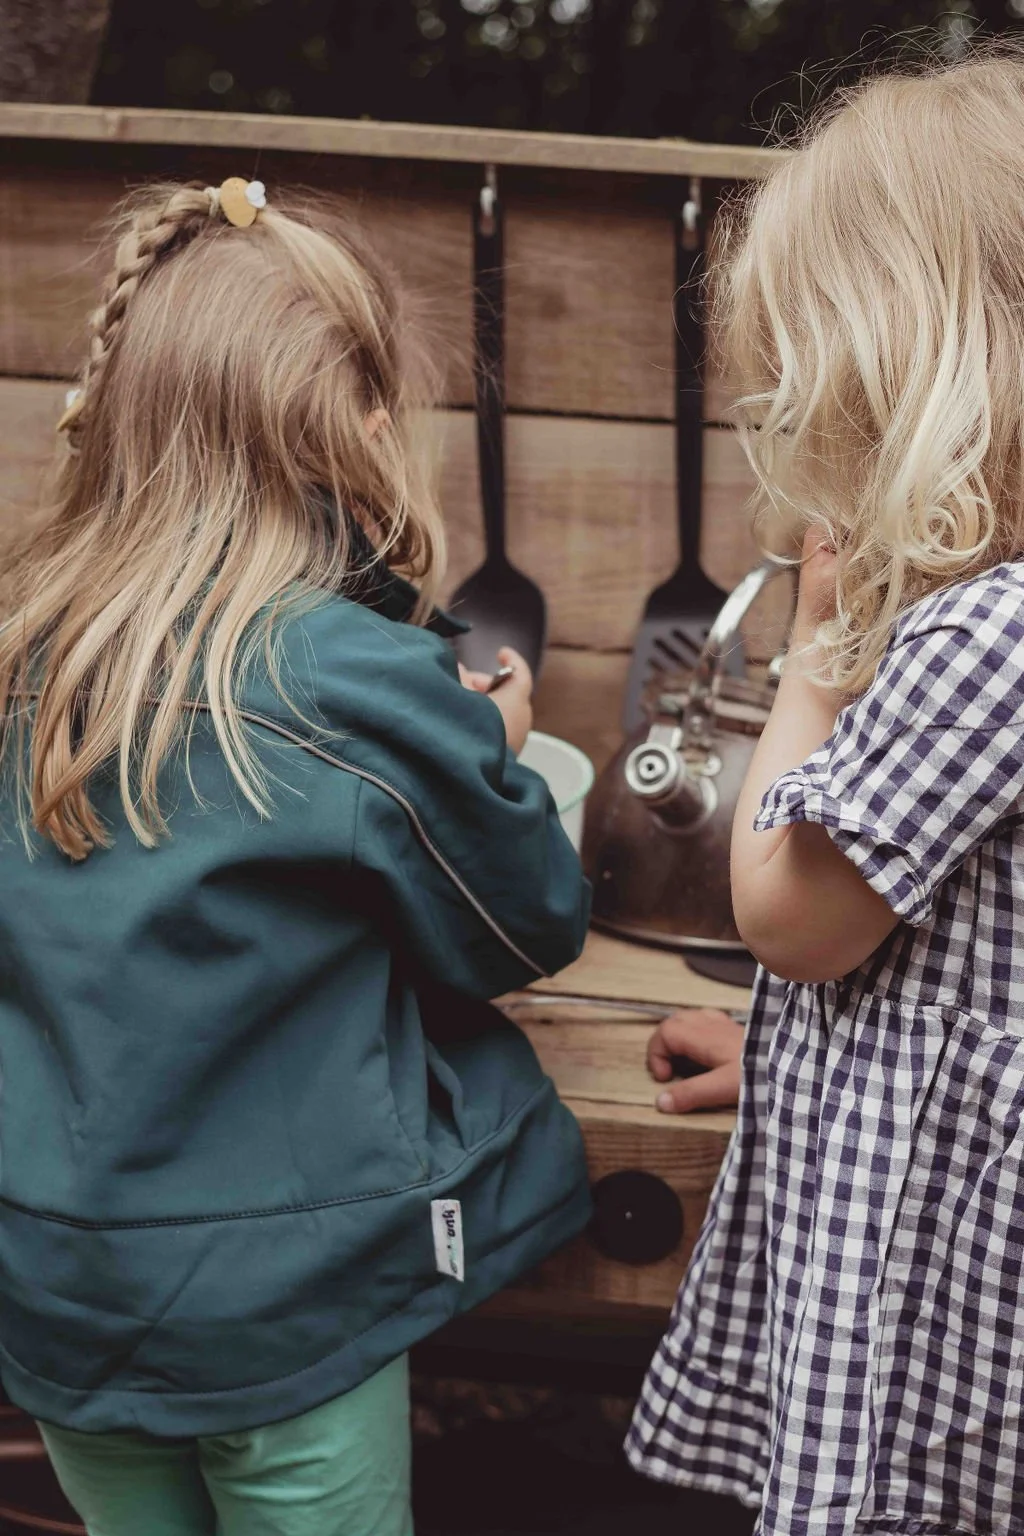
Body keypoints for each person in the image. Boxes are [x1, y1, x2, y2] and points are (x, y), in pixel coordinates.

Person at [0, 178, 593, 1535]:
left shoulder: (33, 649)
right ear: (365, 424)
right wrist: (485, 748)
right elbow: (516, 934)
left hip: (55, 1286)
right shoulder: (357, 681)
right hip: (282, 1306)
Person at [628, 49, 1024, 1535]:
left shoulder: (988, 632)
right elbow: (961, 944)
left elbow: (793, 912)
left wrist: (812, 648)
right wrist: (795, 1061)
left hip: (958, 1270)